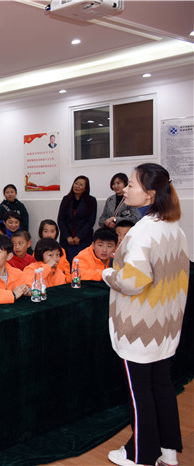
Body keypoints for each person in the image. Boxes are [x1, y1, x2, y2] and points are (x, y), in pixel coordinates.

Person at [102, 163, 189, 466]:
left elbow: (133, 281)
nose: (125, 190)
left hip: (140, 328)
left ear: (150, 194)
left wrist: (109, 274)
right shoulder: (174, 228)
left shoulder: (143, 232)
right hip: (166, 326)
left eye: (131, 185)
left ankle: (140, 455)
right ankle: (168, 453)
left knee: (139, 393)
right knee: (162, 387)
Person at [58, 175, 97, 263]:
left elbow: (91, 221)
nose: (77, 186)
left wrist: (79, 236)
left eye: (81, 185)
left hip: (83, 239)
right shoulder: (66, 199)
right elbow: (61, 219)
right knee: (66, 262)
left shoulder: (91, 201)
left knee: (81, 262)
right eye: (76, 183)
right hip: (66, 240)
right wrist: (67, 236)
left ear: (85, 188)